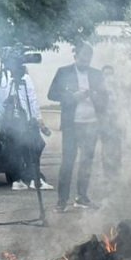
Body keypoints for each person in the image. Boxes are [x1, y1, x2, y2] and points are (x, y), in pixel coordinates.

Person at [48, 42, 108, 212]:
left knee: (87, 162)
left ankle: (82, 196)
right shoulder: (63, 71)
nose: (85, 62)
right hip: (71, 125)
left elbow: (105, 97)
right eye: (82, 59)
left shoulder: (96, 74)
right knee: (68, 162)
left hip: (91, 124)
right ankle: (62, 201)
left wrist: (96, 96)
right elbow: (51, 94)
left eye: (88, 60)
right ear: (75, 57)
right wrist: (73, 97)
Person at [0, 59, 52, 192]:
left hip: (24, 120)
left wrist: (39, 121)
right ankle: (22, 180)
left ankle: (29, 178)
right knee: (20, 150)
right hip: (14, 121)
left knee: (35, 146)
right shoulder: (6, 80)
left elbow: (30, 99)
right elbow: (2, 101)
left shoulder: (22, 78)